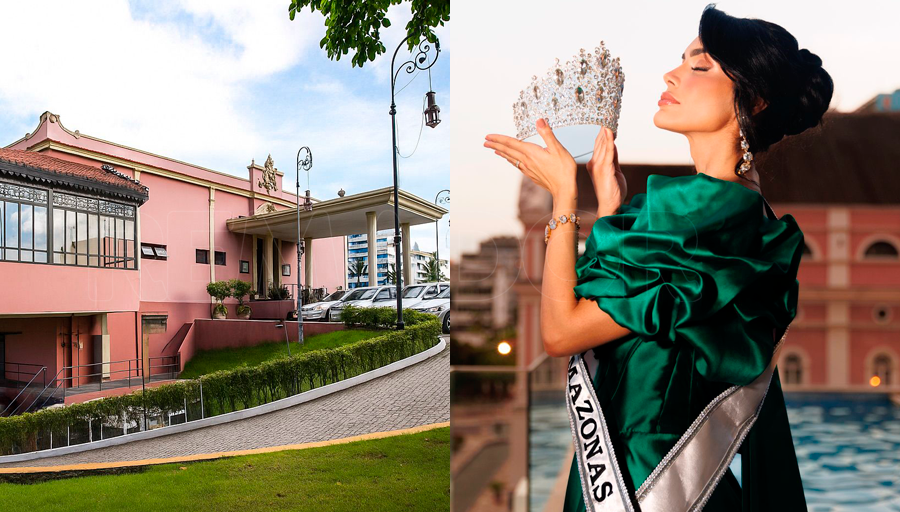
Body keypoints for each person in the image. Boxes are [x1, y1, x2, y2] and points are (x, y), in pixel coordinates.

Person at [483, 3, 833, 511]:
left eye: (699, 65)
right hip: (674, 482)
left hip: (644, 485)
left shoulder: (694, 212)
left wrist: (564, 197)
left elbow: (562, 332)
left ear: (751, 102)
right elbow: (625, 325)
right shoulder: (740, 213)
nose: (672, 73)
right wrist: (608, 208)